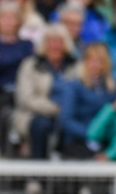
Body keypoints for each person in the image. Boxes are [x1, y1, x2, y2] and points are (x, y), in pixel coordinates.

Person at [13, 24, 75, 158]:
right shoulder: (30, 65)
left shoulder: (74, 66)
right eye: (51, 41)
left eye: (59, 41)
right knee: (42, 124)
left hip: (68, 115)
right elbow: (26, 98)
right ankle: (37, 170)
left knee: (70, 125)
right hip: (35, 114)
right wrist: (55, 108)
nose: (55, 46)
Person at [55, 41, 115, 157]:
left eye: (100, 61)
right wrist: (91, 133)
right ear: (85, 62)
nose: (95, 65)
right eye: (91, 60)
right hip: (78, 140)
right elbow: (66, 119)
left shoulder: (112, 88)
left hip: (105, 141)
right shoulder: (74, 86)